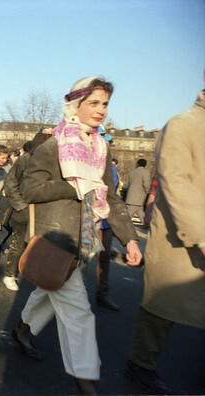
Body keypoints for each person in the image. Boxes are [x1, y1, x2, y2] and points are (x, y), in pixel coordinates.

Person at [11, 77, 141, 395]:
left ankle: (21, 330)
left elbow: (109, 196)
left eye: (105, 104)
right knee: (79, 312)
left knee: (49, 290)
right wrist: (73, 185)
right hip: (56, 241)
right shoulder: (53, 146)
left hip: (84, 242)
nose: (101, 110)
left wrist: (131, 239)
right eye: (93, 103)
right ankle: (87, 386)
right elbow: (30, 189)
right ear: (75, 105)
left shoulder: (100, 146)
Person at [126, 81, 205, 395]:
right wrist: (200, 234)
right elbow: (176, 182)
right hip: (181, 232)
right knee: (161, 305)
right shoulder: (184, 124)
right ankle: (140, 364)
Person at [2, 127, 52, 291]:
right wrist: (21, 205)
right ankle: (9, 274)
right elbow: (10, 184)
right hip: (24, 210)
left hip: (44, 211)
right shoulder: (26, 159)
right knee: (18, 245)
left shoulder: (55, 161)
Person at [94, 132, 120, 311]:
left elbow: (113, 194)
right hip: (88, 217)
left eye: (108, 141)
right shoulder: (83, 161)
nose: (106, 144)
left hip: (106, 219)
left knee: (104, 258)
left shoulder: (111, 168)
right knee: (77, 260)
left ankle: (102, 293)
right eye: (102, 139)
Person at [125, 158, 152, 224]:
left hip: (131, 196)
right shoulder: (146, 173)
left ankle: (146, 224)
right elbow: (146, 185)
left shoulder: (131, 172)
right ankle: (121, 228)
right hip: (140, 197)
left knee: (139, 212)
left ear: (137, 164)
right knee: (131, 215)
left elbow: (127, 183)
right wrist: (148, 192)